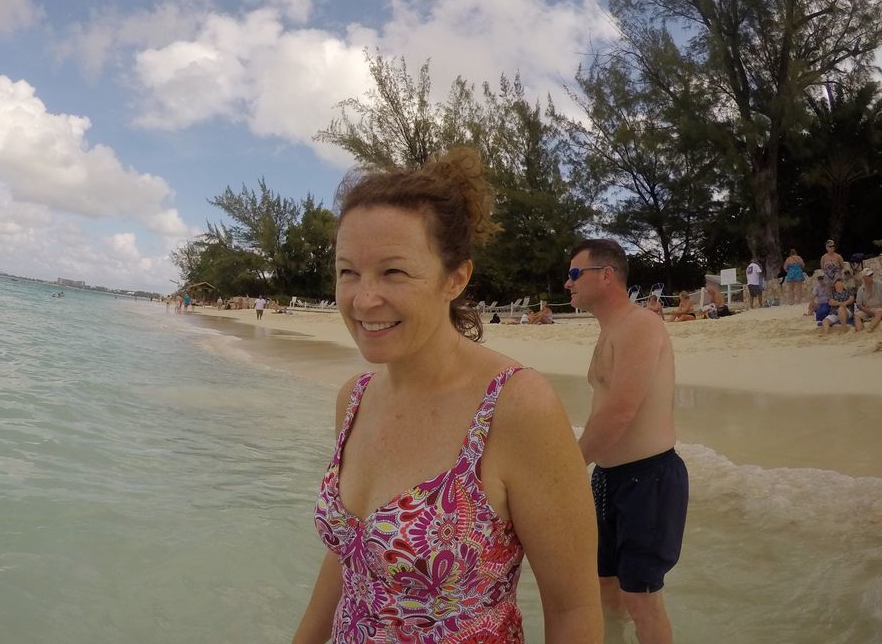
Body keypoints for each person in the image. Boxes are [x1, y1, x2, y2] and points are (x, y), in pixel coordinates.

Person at [293, 148, 601, 644]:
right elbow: (351, 557)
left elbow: (574, 609)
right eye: (348, 271)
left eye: (393, 272)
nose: (363, 298)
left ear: (455, 278)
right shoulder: (354, 399)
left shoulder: (516, 407)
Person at [567, 239, 688, 644]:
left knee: (641, 599)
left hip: (649, 479)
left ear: (606, 275)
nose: (567, 285)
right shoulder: (609, 332)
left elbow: (621, 411)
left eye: (573, 274)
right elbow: (601, 411)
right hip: (609, 478)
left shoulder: (641, 325)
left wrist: (565, 467)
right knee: (605, 588)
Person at [857, 269, 882, 333]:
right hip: (867, 309)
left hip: (879, 307)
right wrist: (868, 311)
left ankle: (868, 329)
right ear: (864, 277)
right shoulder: (860, 289)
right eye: (869, 275)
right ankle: (859, 332)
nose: (871, 276)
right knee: (857, 315)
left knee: (879, 312)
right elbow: (859, 304)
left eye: (871, 275)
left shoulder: (879, 284)